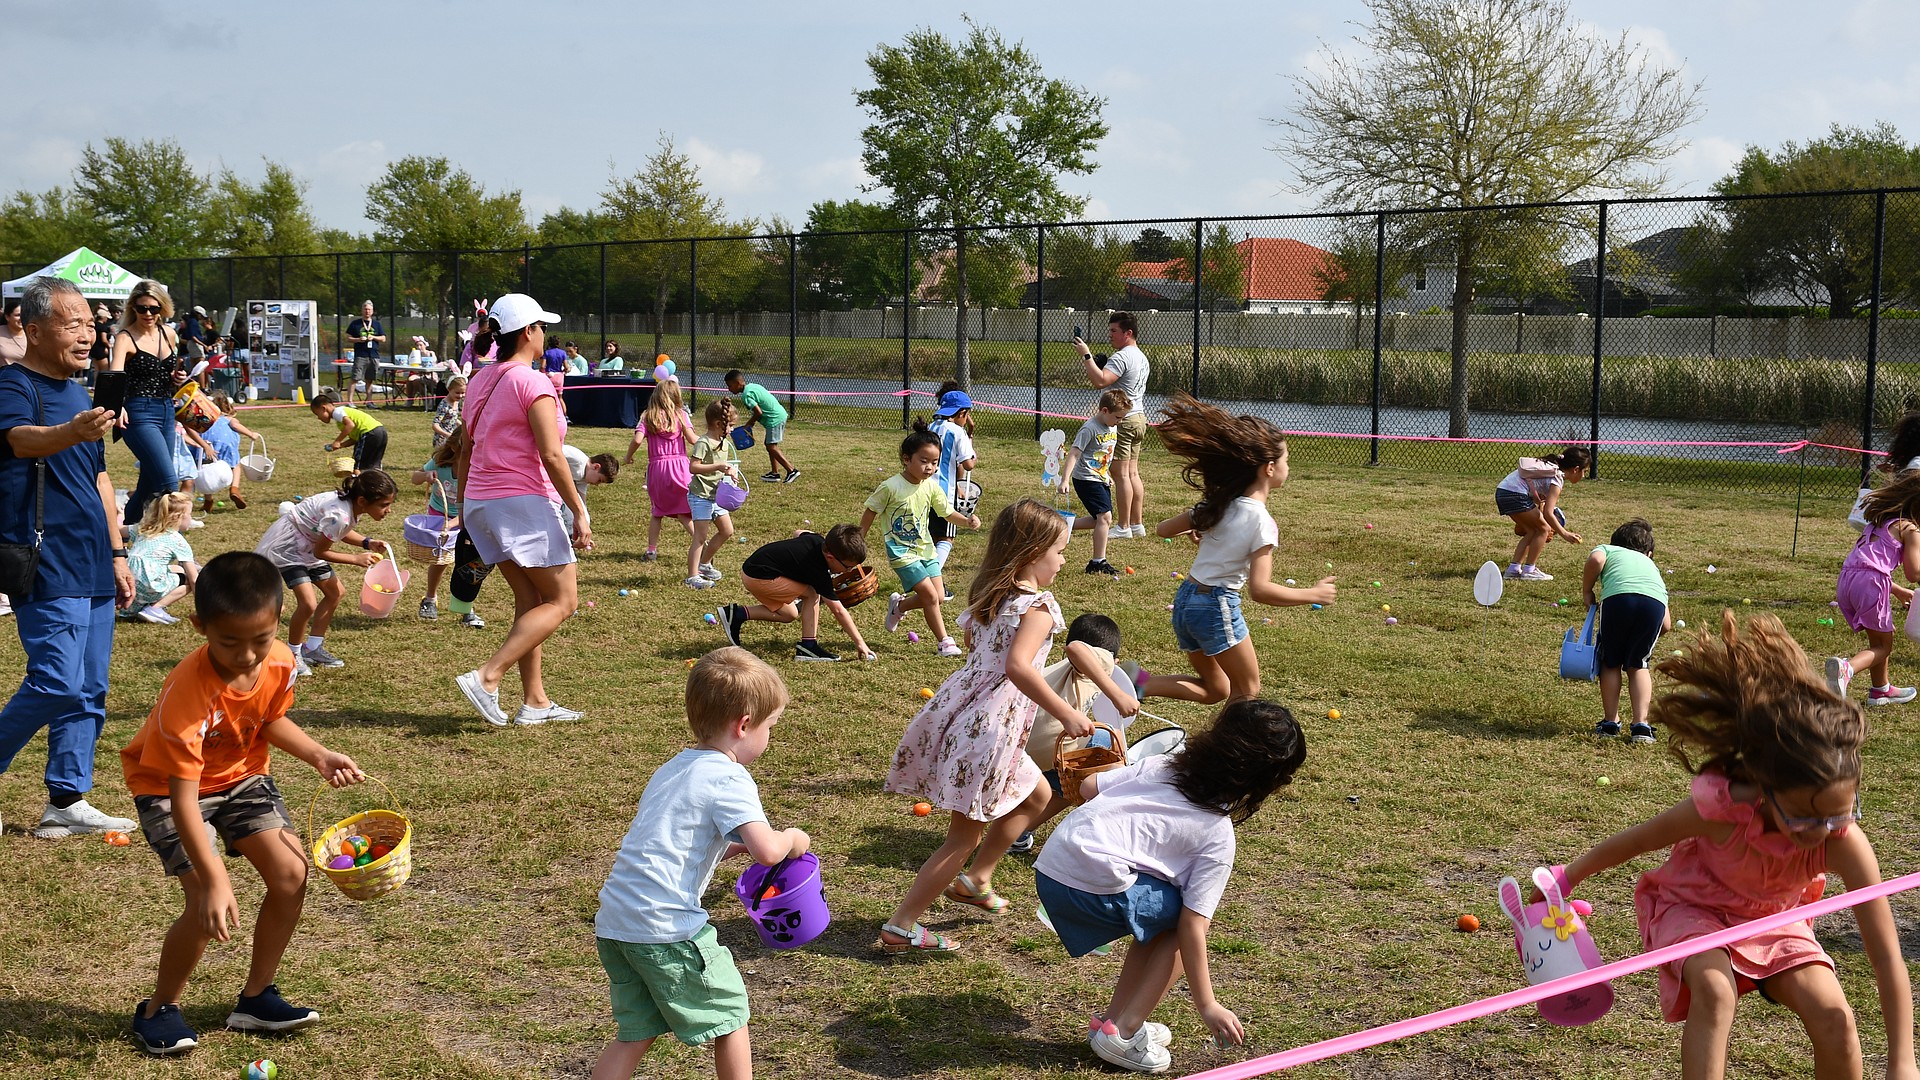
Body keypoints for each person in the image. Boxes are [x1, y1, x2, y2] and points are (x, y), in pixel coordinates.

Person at [1550, 612, 1916, 1080]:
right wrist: (1567, 877)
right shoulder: (1725, 809)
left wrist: (1903, 1059)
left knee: (1836, 1018)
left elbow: (1886, 956)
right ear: (1766, 783)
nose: (1821, 829)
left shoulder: (1842, 839)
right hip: (1695, 908)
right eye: (1805, 815)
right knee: (1716, 991)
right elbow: (1638, 839)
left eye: (1838, 813)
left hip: (1775, 920)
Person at [122, 551, 367, 1057]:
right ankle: (158, 1008)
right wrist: (212, 878)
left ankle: (256, 998)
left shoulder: (279, 659)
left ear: (278, 622)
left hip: (243, 778)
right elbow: (185, 800)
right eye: (229, 642)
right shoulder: (187, 696)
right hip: (170, 791)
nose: (248, 656)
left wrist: (318, 755)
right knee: (204, 899)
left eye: (260, 639)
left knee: (291, 874)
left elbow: (270, 719)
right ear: (199, 626)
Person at [1036, 697, 1303, 1073]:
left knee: (1162, 913)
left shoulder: (1163, 763)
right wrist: (1207, 1004)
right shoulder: (1217, 835)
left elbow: (1089, 787)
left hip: (1052, 865)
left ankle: (1112, 1021)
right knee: (1179, 918)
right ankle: (1123, 1033)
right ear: (1263, 783)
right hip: (1086, 887)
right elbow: (1193, 928)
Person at [878, 500, 1092, 952]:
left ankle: (977, 879)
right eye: (1059, 551)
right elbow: (1019, 667)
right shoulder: (1037, 606)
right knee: (961, 837)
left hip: (967, 715)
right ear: (1034, 553)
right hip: (990, 730)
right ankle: (901, 926)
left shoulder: (995, 596)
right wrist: (1068, 713)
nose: (1063, 559)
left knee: (1039, 794)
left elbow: (982, 653)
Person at [589, 647, 809, 1080]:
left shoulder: (674, 767)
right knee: (731, 1015)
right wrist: (793, 838)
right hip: (666, 928)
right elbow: (769, 851)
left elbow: (673, 839)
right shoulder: (730, 777)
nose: (769, 736)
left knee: (636, 1032)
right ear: (744, 725)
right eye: (771, 727)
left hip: (616, 922)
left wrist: (730, 848)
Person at [0, 275, 138, 840]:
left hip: (92, 556)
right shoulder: (13, 384)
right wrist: (69, 430)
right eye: (72, 323)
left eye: (90, 323)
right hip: (43, 555)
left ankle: (66, 799)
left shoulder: (84, 393)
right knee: (56, 680)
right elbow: (19, 440)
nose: (88, 335)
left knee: (89, 686)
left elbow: (101, 478)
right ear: (32, 330)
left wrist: (118, 552)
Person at [1137, 395, 1336, 706]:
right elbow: (1261, 590)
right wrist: (1313, 594)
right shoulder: (1262, 522)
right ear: (1269, 469)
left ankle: (1138, 682)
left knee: (1217, 690)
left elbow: (1163, 529)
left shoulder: (1219, 505)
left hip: (1186, 601)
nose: (1288, 466)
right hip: (1216, 605)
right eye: (1286, 460)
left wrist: (1199, 526)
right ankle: (1223, 753)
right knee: (1247, 691)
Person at [452, 293, 592, 728]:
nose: (545, 334)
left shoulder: (479, 379)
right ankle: (487, 677)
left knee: (531, 599)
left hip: (482, 502)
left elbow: (464, 450)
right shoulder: (533, 383)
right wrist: (580, 510)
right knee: (564, 601)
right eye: (542, 327)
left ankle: (535, 702)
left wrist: (462, 506)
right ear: (529, 332)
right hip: (520, 501)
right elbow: (552, 456)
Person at [1011, 612, 1140, 855]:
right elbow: (1077, 649)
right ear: (1114, 658)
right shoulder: (1103, 659)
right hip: (1050, 748)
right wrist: (1118, 694)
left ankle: (1019, 823)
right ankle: (1022, 831)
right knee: (1095, 761)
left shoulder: (1054, 670)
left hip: (1021, 745)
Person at [253, 471, 397, 677]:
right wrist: (355, 558)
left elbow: (336, 533)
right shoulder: (340, 515)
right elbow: (321, 551)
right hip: (289, 548)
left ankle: (312, 648)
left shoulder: (349, 508)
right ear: (363, 501)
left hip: (309, 544)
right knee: (308, 603)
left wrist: (367, 541)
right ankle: (293, 653)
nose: (388, 510)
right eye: (384, 505)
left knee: (335, 593)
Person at [863, 423, 981, 657]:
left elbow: (947, 513)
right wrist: (859, 539)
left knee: (937, 596)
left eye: (935, 462)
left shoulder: (932, 487)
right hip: (901, 552)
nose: (930, 468)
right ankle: (944, 642)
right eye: (924, 461)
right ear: (907, 459)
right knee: (929, 596)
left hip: (925, 550)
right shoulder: (890, 487)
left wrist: (966, 520)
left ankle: (900, 606)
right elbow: (871, 510)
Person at [1825, 471, 1920, 706]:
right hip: (1870, 584)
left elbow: (1867, 565)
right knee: (1883, 645)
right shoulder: (1910, 529)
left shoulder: (1878, 524)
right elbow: (1914, 573)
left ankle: (1881, 690)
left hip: (1847, 580)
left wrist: (1895, 590)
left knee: (1880, 636)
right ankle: (1847, 669)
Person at [717, 524, 876, 663]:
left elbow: (799, 532)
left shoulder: (818, 541)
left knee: (789, 614)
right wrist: (860, 643)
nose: (849, 571)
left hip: (753, 569)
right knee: (812, 594)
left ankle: (736, 614)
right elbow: (838, 610)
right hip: (760, 577)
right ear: (830, 556)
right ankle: (808, 647)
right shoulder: (818, 570)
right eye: (847, 567)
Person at [1583, 518, 1672, 743]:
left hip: (1618, 601)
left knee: (1611, 662)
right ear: (1649, 553)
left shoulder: (1608, 550)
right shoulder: (1651, 566)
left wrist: (1587, 591)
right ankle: (1641, 725)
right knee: (1638, 664)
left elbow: (1595, 558)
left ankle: (1610, 723)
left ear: (1614, 542)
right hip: (1654, 605)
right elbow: (1667, 625)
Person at [110, 279, 190, 526]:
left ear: (162, 309)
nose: (147, 314)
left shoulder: (169, 334)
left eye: (154, 309)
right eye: (142, 308)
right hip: (138, 412)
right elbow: (113, 377)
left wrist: (177, 378)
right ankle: (170, 540)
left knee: (149, 484)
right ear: (132, 308)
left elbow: (167, 375)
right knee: (168, 483)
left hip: (166, 410)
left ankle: (122, 536)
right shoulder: (125, 337)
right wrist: (117, 406)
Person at [1073, 311, 1150, 538]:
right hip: (1138, 418)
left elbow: (1100, 381)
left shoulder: (1122, 356)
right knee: (1133, 473)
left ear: (1128, 333)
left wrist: (1086, 355)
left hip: (1123, 420)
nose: (1110, 335)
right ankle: (1137, 523)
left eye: (1114, 331)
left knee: (1121, 475)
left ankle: (1124, 526)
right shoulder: (1140, 356)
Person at [1058, 389, 1128, 578]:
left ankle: (1061, 524)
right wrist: (1064, 480)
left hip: (1100, 478)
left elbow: (1104, 455)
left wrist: (1107, 475)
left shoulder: (1111, 425)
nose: (1119, 422)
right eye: (1117, 417)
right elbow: (1074, 453)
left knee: (1100, 520)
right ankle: (1098, 561)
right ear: (1104, 410)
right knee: (1105, 518)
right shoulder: (1089, 428)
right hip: (1086, 479)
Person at [626, 378, 694, 564]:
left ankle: (651, 550)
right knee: (684, 511)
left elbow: (638, 440)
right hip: (681, 467)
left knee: (658, 511)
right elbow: (693, 439)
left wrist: (628, 456)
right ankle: (701, 542)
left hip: (657, 469)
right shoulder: (681, 415)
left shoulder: (648, 416)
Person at [1495, 447, 1590, 581]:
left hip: (1502, 491)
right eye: (1584, 471)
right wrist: (1565, 533)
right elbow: (1548, 513)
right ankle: (1529, 570)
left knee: (1532, 531)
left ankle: (1513, 569)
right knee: (1543, 529)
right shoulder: (1557, 478)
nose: (1584, 476)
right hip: (1515, 494)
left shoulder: (1551, 468)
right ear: (1575, 469)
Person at [685, 398, 742, 590]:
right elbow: (693, 467)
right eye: (731, 426)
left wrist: (730, 473)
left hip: (716, 496)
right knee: (700, 537)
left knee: (727, 530)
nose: (732, 429)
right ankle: (692, 577)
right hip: (700, 496)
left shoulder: (724, 442)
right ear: (719, 424)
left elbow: (723, 468)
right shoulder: (704, 442)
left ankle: (704, 564)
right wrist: (718, 466)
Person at [412, 432, 465, 621]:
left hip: (463, 518)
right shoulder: (440, 464)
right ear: (454, 448)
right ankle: (430, 598)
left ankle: (465, 605)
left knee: (465, 562)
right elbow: (414, 478)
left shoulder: (475, 469)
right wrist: (425, 475)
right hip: (438, 513)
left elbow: (470, 508)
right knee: (439, 559)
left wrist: (450, 524)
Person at [126, 492, 199, 625]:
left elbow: (115, 531)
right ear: (178, 517)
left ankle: (139, 607)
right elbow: (194, 580)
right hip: (149, 585)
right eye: (190, 514)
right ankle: (155, 608)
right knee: (187, 579)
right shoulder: (177, 541)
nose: (191, 519)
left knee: (177, 568)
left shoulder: (143, 528)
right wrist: (204, 609)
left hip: (127, 585)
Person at [927, 387, 977, 573]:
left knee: (931, 534)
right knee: (946, 538)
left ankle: (928, 573)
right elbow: (968, 464)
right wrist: (973, 456)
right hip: (944, 493)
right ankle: (933, 577)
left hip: (924, 489)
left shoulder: (931, 427)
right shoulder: (957, 431)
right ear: (962, 413)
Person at [724, 369, 797, 483]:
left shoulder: (746, 395)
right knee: (770, 445)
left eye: (730, 386)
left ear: (737, 383)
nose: (729, 389)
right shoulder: (753, 386)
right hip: (779, 415)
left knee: (771, 446)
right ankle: (774, 473)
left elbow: (758, 412)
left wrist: (749, 424)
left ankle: (791, 470)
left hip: (774, 418)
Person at [202, 391, 261, 513]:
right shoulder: (227, 418)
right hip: (226, 444)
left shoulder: (205, 418)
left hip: (208, 444)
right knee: (235, 466)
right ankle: (234, 489)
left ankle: (208, 500)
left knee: (206, 469)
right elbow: (235, 425)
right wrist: (251, 434)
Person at [312, 390, 387, 475]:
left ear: (323, 408)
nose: (318, 418)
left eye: (317, 414)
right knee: (374, 465)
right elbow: (354, 439)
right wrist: (340, 445)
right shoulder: (342, 416)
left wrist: (337, 441)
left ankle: (359, 485)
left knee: (357, 467)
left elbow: (350, 425)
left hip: (368, 433)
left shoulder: (337, 412)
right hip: (380, 432)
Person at [560, 444, 620, 536]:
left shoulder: (584, 477)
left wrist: (584, 521)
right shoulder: (578, 462)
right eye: (599, 480)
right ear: (596, 467)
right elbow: (554, 452)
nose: (596, 484)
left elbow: (581, 502)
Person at [345, 300, 385, 397]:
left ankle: (369, 401)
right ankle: (349, 401)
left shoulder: (377, 324)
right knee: (355, 378)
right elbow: (348, 338)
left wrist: (374, 337)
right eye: (365, 309)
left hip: (373, 355)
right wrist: (358, 339)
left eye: (369, 309)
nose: (367, 311)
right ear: (362, 310)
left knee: (370, 379)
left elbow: (383, 338)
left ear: (372, 311)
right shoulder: (355, 323)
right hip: (360, 355)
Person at [433, 376, 467, 447]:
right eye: (457, 392)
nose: (460, 395)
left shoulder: (456, 402)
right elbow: (435, 424)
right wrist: (446, 434)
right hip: (442, 440)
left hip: (452, 437)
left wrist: (461, 425)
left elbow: (451, 417)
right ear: (449, 389)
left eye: (463, 393)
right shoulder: (444, 406)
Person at [0, 299, 29, 365]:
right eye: (18, 315)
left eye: (24, 315)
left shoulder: (32, 334)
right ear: (7, 317)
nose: (22, 318)